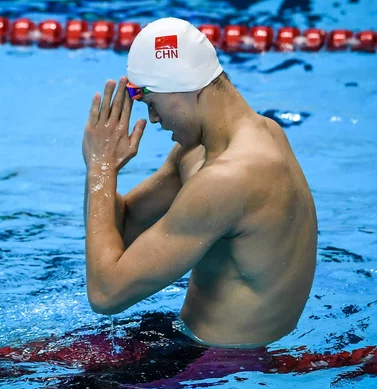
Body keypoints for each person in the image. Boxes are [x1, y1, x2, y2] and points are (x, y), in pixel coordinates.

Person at [82, 17, 317, 348]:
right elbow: (119, 229)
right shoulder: (237, 141)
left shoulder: (230, 178)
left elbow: (106, 294)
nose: (153, 119)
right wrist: (104, 164)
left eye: (152, 104)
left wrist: (100, 169)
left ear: (182, 89)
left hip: (218, 367)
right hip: (189, 343)